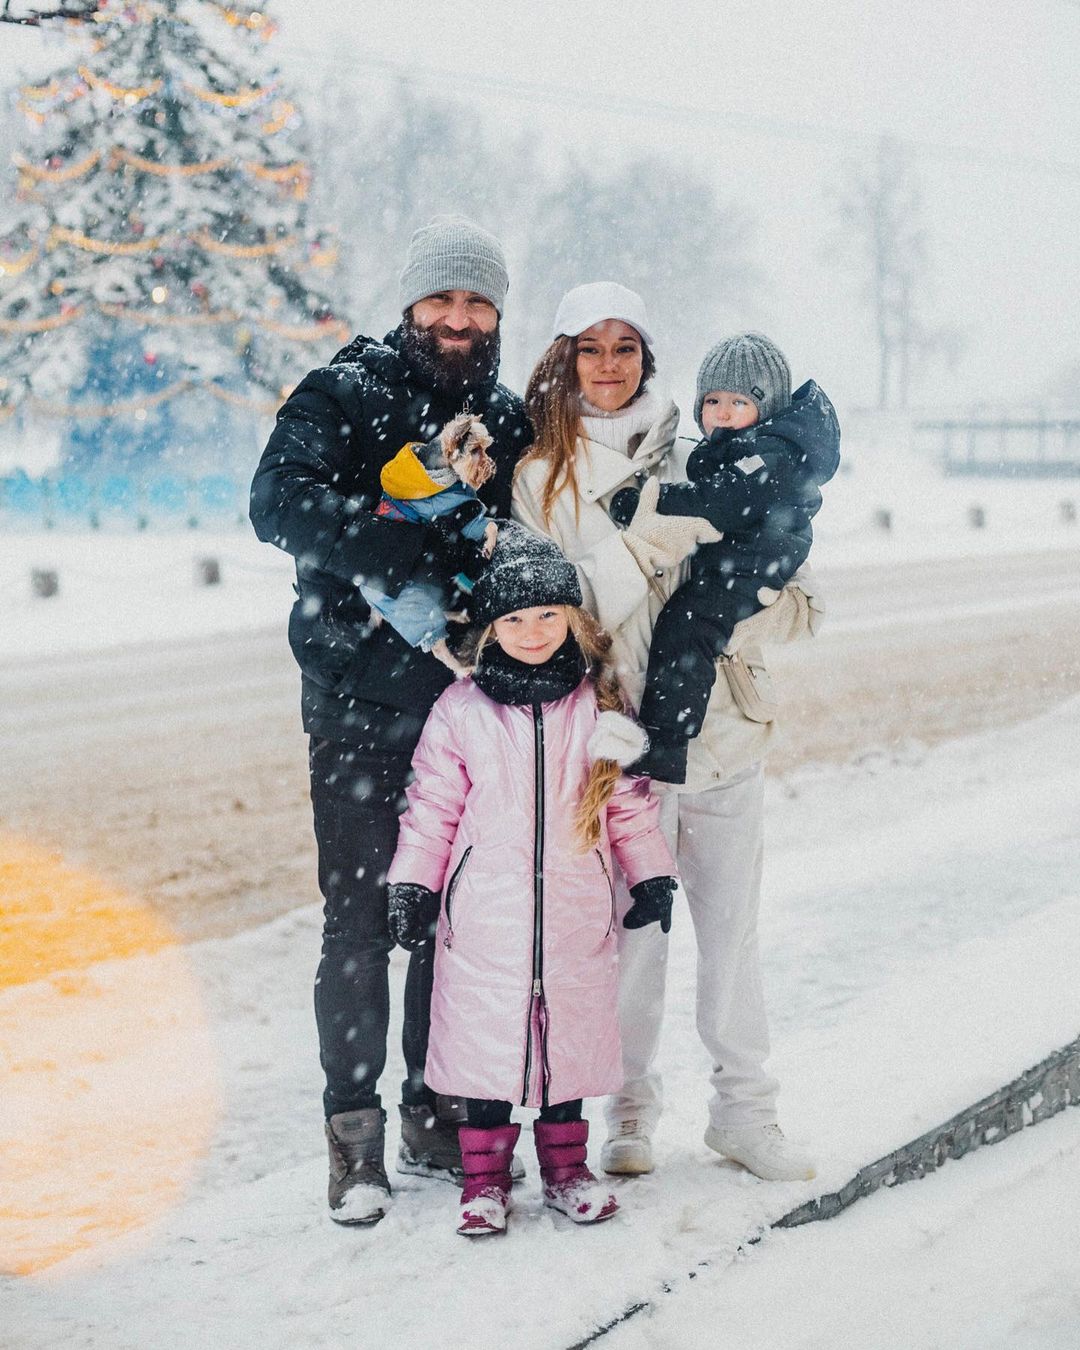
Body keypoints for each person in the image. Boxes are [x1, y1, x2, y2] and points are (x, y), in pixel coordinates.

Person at [249, 216, 532, 1225]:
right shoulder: (346, 390)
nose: (458, 320)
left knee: (451, 924)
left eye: (477, 303)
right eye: (441, 301)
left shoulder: (505, 413)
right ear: (410, 305)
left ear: (496, 314)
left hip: (466, 708)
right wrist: (393, 536)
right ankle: (353, 1141)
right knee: (362, 924)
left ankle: (433, 1109)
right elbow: (276, 504)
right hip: (358, 699)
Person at [513, 281, 825, 1184]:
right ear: (564, 359)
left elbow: (804, 604)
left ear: (650, 358)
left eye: (627, 348)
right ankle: (629, 1111)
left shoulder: (713, 457)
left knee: (731, 938)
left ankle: (746, 1113)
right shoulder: (541, 478)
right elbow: (551, 610)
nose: (609, 366)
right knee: (630, 944)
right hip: (618, 752)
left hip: (726, 739)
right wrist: (636, 554)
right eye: (590, 349)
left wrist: (737, 614)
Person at [384, 524, 678, 1236]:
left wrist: (651, 875)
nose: (533, 630)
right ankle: (483, 1182)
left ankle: (568, 1173)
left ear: (573, 618)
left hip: (576, 912)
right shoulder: (461, 712)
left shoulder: (598, 705)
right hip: (486, 915)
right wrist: (413, 884)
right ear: (491, 630)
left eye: (548, 615)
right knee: (487, 1048)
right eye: (515, 619)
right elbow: (432, 806)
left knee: (567, 1050)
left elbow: (627, 802)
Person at [611, 332, 840, 783]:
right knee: (688, 624)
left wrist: (649, 503)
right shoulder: (740, 452)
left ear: (766, 409)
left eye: (739, 401)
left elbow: (722, 502)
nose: (722, 412)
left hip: (754, 565)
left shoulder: (767, 458)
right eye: (712, 400)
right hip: (746, 558)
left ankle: (666, 744)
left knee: (687, 626)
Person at [361, 411, 499, 678]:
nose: (486, 462)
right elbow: (468, 516)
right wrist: (489, 529)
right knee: (424, 620)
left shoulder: (423, 479)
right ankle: (455, 663)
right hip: (388, 577)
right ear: (451, 449)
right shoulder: (431, 492)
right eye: (476, 453)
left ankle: (441, 616)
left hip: (388, 567)